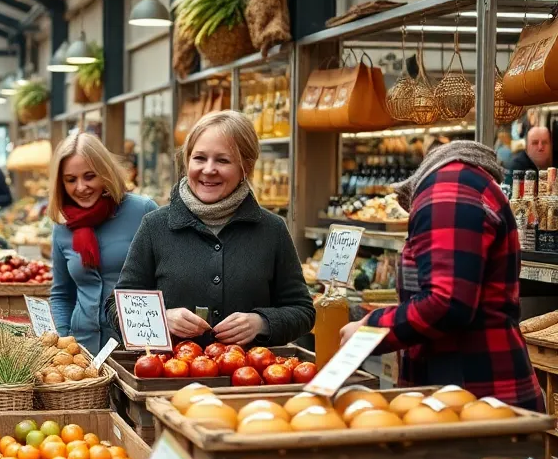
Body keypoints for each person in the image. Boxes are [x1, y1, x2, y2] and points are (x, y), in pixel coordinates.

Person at [340, 141, 544, 410]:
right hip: (467, 393)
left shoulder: (449, 187)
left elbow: (448, 302)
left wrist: (371, 329)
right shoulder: (460, 183)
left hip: (476, 397)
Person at [107, 110, 314, 347]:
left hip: (250, 381)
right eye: (199, 158)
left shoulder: (272, 230)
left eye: (223, 160)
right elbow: (116, 307)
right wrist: (162, 318)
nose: (208, 169)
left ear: (246, 166)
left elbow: (303, 311)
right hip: (170, 379)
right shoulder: (155, 227)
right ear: (187, 161)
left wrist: (261, 322)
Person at [48, 133, 157, 354]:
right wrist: (63, 340)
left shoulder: (142, 211)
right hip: (82, 347)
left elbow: (167, 278)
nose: (81, 187)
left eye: (90, 176)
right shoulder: (63, 227)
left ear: (105, 172)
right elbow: (61, 294)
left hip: (135, 348)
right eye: (71, 180)